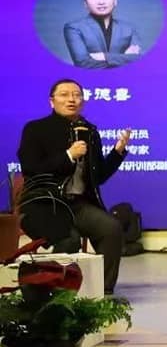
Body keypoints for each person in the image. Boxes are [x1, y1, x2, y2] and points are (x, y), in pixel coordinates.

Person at [16, 79, 130, 295]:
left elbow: (99, 177)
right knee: (69, 240)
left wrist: (117, 152)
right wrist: (69, 155)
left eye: (77, 95)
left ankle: (102, 292)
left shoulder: (90, 132)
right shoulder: (35, 129)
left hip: (78, 205)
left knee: (111, 229)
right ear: (52, 101)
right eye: (64, 95)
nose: (71, 99)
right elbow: (31, 168)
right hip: (44, 204)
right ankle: (56, 294)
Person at [63, 0, 143, 68]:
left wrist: (104, 56)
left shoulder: (129, 28)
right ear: (85, 4)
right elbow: (83, 63)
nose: (101, 2)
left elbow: (138, 59)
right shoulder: (74, 28)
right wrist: (123, 59)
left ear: (115, 1)